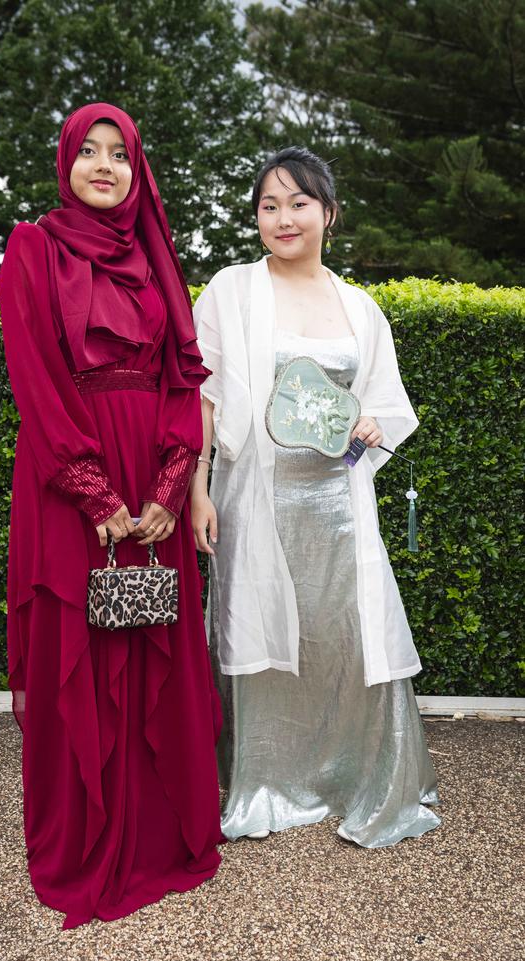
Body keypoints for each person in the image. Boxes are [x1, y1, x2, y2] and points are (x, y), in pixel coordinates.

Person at [0, 103, 223, 929]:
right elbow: (36, 376)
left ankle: (162, 834)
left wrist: (169, 488)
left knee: (150, 636)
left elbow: (181, 378)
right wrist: (94, 492)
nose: (103, 165)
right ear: (64, 162)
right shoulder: (33, 248)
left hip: (151, 470)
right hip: (70, 475)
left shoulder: (157, 258)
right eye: (87, 151)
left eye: (118, 153)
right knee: (82, 649)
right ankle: (89, 841)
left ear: (137, 168)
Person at [191, 147, 441, 847]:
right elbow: (202, 402)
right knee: (262, 637)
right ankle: (266, 780)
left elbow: (386, 407)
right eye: (268, 206)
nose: (283, 218)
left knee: (350, 639)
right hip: (257, 503)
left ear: (328, 212)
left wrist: (368, 426)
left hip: (339, 507)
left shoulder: (360, 308)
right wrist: (197, 490)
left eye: (298, 203)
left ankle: (361, 776)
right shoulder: (231, 291)